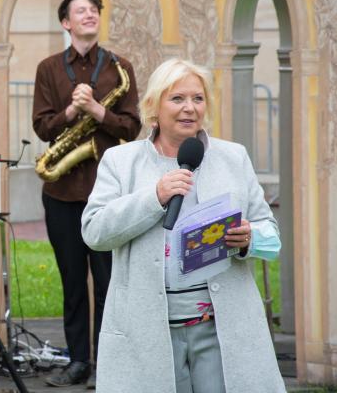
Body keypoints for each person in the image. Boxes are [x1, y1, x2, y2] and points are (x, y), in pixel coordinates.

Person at [81, 58, 284, 392]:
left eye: (198, 98)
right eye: (177, 99)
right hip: (147, 333)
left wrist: (249, 239)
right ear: (153, 107)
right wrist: (154, 197)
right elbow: (95, 232)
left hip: (221, 331)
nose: (189, 108)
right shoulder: (121, 162)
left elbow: (271, 236)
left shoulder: (234, 157)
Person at [32, 0, 141, 387]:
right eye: (80, 10)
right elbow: (42, 126)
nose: (89, 14)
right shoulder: (48, 69)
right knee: (73, 282)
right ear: (66, 22)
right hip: (61, 193)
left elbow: (133, 126)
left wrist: (98, 111)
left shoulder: (120, 68)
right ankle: (78, 361)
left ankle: (110, 363)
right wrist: (70, 112)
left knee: (110, 282)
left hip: (109, 193)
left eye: (94, 9)